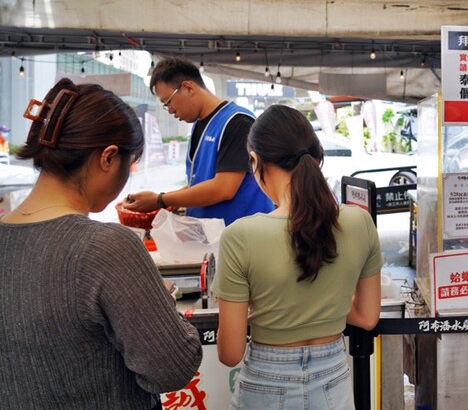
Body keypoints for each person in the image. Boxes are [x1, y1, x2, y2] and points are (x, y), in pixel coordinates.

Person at [0, 78, 202, 409]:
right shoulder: (105, 247)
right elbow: (172, 367)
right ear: (108, 158)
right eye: (129, 164)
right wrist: (161, 307)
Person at [212, 104, 384, 409]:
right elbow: (368, 317)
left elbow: (230, 353)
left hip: (266, 382)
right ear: (316, 159)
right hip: (334, 378)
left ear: (255, 161)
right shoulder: (359, 222)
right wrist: (322, 306)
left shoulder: (240, 236)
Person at [124, 57, 273, 224]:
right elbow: (201, 181)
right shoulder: (199, 125)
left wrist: (161, 200)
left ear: (188, 88)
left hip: (240, 235)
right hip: (211, 235)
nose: (170, 110)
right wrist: (172, 199)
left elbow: (224, 188)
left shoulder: (237, 122)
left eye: (169, 102)